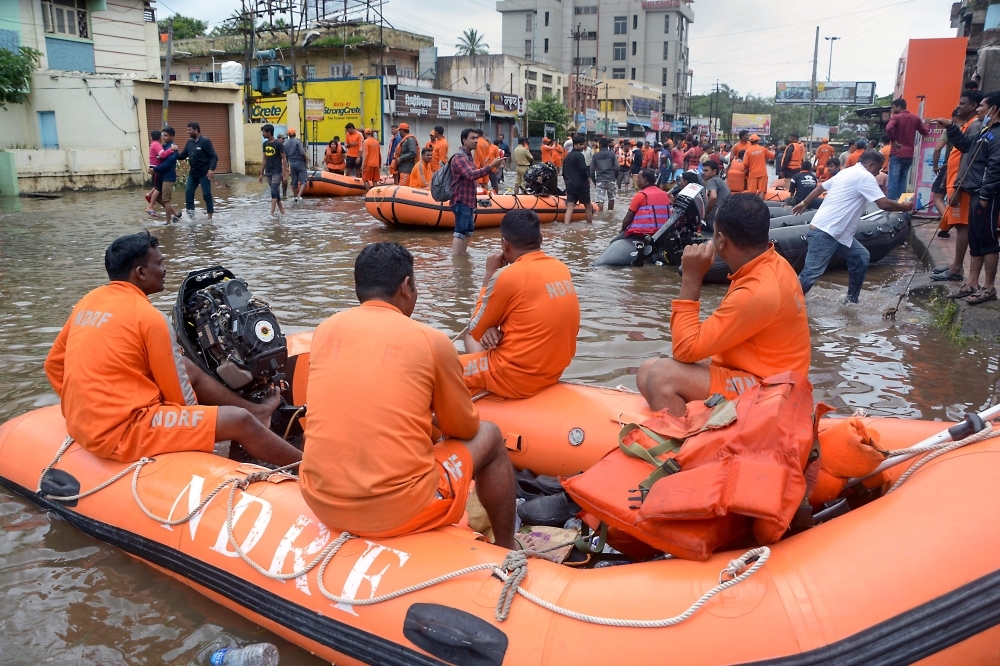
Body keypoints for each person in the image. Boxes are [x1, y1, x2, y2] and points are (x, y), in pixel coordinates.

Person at [300, 242, 516, 549]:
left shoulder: (324, 331)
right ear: (405, 286)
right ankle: (507, 548)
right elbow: (464, 429)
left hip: (319, 501)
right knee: (490, 435)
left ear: (358, 287)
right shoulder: (431, 341)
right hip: (399, 510)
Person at [44, 232, 301, 465]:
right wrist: (207, 431)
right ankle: (309, 468)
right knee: (237, 420)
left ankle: (257, 410)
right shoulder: (149, 318)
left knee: (187, 366)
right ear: (141, 272)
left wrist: (81, 407)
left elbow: (54, 364)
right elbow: (180, 397)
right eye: (160, 263)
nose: (165, 269)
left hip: (81, 424)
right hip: (123, 431)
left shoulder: (88, 302)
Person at [636, 195, 810, 415]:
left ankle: (691, 446)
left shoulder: (757, 290)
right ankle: (700, 424)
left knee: (662, 376)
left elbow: (684, 350)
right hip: (762, 375)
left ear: (720, 239)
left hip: (774, 391)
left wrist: (691, 278)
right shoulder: (771, 263)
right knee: (646, 371)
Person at [460, 210, 580, 400]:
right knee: (486, 332)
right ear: (541, 238)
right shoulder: (561, 268)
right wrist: (490, 328)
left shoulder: (507, 276)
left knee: (438, 369)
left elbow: (475, 328)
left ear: (505, 245)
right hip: (553, 372)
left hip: (514, 377)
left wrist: (489, 275)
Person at [793, 150, 914, 303]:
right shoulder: (865, 177)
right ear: (871, 165)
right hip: (826, 232)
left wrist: (804, 203)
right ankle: (787, 303)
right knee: (810, 275)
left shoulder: (846, 172)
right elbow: (883, 204)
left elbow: (820, 188)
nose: (878, 174)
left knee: (861, 257)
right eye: (878, 169)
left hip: (838, 234)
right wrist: (905, 207)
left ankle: (851, 301)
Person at [937, 89, 1000, 304]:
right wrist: (951, 127)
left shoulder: (998, 134)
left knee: (988, 239)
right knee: (975, 239)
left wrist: (984, 194)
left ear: (993, 109)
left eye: (982, 105)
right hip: (975, 192)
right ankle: (972, 282)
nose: (980, 109)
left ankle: (989, 287)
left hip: (986, 195)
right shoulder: (985, 131)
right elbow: (965, 144)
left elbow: (995, 167)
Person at [932, 91, 983, 282]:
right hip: (956, 182)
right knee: (960, 226)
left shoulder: (975, 126)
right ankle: (956, 264)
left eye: (962, 103)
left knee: (963, 227)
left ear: (974, 106)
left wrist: (959, 186)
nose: (958, 106)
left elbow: (968, 159)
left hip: (963, 185)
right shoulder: (968, 126)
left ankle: (956, 269)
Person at [450, 129, 503, 256]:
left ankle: (462, 258)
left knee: (469, 230)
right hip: (461, 199)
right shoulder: (459, 157)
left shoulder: (468, 157)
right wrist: (491, 166)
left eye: (476, 138)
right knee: (460, 230)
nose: (476, 141)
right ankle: (457, 260)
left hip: (469, 200)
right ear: (464, 140)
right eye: (472, 138)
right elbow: (470, 174)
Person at [886, 98, 931, 200]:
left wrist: (894, 141)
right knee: (903, 180)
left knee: (893, 180)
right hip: (909, 155)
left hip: (896, 154)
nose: (892, 111)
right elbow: (925, 132)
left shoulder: (896, 117)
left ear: (899, 107)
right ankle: (901, 204)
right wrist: (927, 124)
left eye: (893, 108)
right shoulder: (915, 118)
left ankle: (891, 205)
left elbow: (889, 128)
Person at [177, 122, 218, 221]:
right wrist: (172, 152)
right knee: (188, 193)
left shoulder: (205, 141)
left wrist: (211, 169)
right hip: (193, 173)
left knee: (206, 194)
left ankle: (210, 217)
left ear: (196, 130)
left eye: (189, 130)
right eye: (187, 130)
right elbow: (182, 156)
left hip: (204, 173)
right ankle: (191, 216)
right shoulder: (189, 142)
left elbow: (214, 156)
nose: (188, 132)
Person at [620, 168, 671, 237]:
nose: (637, 180)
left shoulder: (641, 195)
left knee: (614, 241)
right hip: (662, 233)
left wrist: (622, 230)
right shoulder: (665, 194)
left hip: (643, 234)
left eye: (638, 178)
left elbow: (627, 219)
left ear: (644, 180)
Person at [151, 127, 180, 223]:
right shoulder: (164, 146)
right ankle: (176, 214)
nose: (163, 137)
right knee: (159, 199)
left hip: (169, 177)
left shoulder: (173, 148)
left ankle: (168, 223)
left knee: (166, 200)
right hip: (161, 176)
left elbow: (167, 163)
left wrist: (155, 169)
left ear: (172, 137)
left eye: (166, 135)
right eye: (163, 135)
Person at [562, 134, 593, 224]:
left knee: (570, 207)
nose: (583, 146)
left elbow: (564, 174)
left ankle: (566, 226)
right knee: (588, 206)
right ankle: (589, 226)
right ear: (575, 145)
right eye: (581, 144)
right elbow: (583, 171)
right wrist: (588, 181)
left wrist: (567, 185)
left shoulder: (567, 157)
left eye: (583, 144)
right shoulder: (580, 156)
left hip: (570, 185)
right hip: (581, 185)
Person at [258, 124, 287, 216]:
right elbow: (264, 159)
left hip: (277, 171)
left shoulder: (278, 144)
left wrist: (285, 173)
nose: (263, 134)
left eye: (264, 132)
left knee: (273, 190)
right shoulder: (265, 144)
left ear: (269, 132)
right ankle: (282, 209)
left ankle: (271, 213)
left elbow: (284, 158)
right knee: (275, 191)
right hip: (268, 171)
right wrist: (261, 173)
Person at [591, 137, 619, 212]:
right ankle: (610, 213)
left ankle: (600, 216)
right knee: (611, 198)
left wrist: (594, 181)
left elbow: (591, 171)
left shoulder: (595, 156)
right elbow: (617, 167)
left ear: (599, 145)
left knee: (600, 199)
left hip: (600, 179)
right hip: (611, 179)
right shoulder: (612, 154)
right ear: (608, 145)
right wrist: (615, 177)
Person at [702, 160, 730, 231]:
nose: (703, 173)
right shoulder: (720, 180)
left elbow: (713, 197)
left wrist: (706, 214)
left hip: (715, 219)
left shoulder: (712, 180)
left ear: (714, 171)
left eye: (706, 171)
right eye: (703, 170)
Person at [284, 128, 307, 201]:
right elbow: (302, 153)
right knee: (304, 181)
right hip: (300, 163)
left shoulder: (285, 144)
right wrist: (305, 161)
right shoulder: (298, 142)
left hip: (292, 164)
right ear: (295, 134)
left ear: (288, 135)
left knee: (294, 181)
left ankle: (295, 196)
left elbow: (285, 157)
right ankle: (299, 196)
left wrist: (286, 167)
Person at [145, 129, 164, 217]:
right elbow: (162, 155)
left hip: (154, 168)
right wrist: (171, 150)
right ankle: (150, 206)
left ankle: (149, 194)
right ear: (160, 137)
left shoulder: (153, 144)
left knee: (157, 186)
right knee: (158, 188)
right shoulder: (157, 145)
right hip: (156, 169)